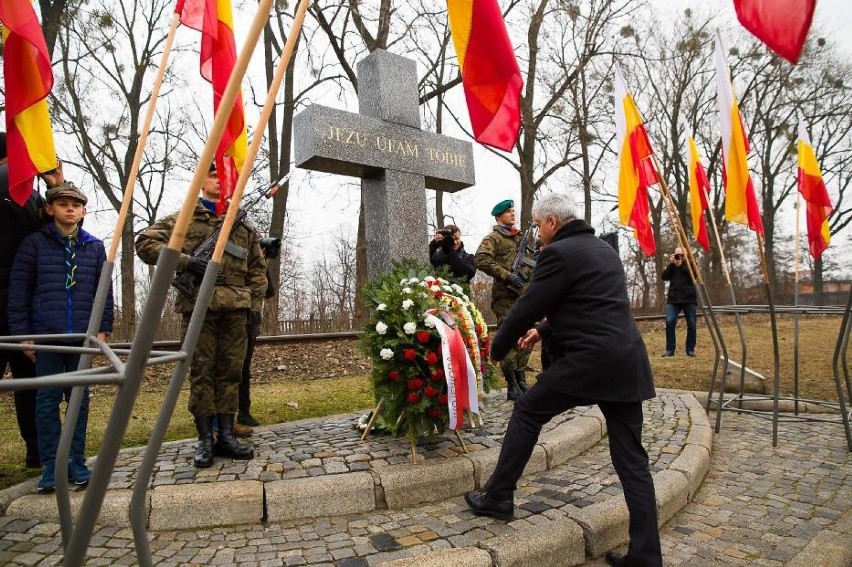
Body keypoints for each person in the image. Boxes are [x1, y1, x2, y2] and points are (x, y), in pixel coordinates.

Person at [464, 194, 662, 567]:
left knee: (526, 411)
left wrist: (496, 348)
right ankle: (647, 556)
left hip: (589, 362)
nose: (537, 235)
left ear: (553, 222)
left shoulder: (558, 254)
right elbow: (588, 302)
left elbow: (529, 303)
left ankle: (499, 496)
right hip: (627, 361)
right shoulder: (603, 250)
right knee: (633, 461)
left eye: (539, 226)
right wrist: (541, 331)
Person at [135, 162, 267, 468]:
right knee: (202, 373)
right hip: (200, 307)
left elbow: (258, 271)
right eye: (213, 175)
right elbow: (145, 243)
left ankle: (227, 434)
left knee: (231, 372)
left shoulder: (243, 225)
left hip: (236, 309)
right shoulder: (184, 219)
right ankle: (205, 438)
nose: (220, 182)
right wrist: (185, 262)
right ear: (201, 181)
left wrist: (255, 309)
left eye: (225, 177)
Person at [8, 182, 114, 493]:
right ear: (49, 209)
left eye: (76, 204)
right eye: (63, 203)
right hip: (47, 335)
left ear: (83, 211)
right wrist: (24, 335)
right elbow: (20, 292)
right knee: (46, 401)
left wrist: (102, 329)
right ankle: (51, 466)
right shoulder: (34, 245)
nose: (70, 209)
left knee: (78, 401)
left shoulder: (93, 247)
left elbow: (103, 292)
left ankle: (76, 462)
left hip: (82, 335)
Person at [0, 132, 50, 469]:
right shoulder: (26, 194)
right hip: (24, 302)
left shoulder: (24, 192)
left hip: (12, 295)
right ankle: (36, 450)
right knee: (28, 382)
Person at [474, 199, 532, 400]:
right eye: (508, 212)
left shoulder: (520, 237)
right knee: (508, 337)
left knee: (525, 337)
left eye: (513, 211)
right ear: (498, 217)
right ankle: (512, 384)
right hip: (505, 297)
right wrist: (507, 275)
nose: (512, 214)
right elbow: (480, 258)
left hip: (524, 294)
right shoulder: (494, 238)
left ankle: (522, 378)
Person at [237, 237, 279, 430]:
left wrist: (263, 262)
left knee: (244, 369)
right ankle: (221, 418)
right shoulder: (237, 262)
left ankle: (244, 412)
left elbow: (269, 291)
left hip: (251, 323)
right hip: (235, 319)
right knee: (229, 370)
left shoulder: (258, 264)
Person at [661, 246, 697, 357]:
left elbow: (693, 276)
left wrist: (680, 265)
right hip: (674, 299)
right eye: (677, 254)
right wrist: (672, 264)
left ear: (685, 255)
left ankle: (690, 349)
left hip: (689, 298)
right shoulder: (672, 266)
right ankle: (670, 349)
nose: (678, 256)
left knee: (691, 324)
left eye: (681, 254)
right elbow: (664, 276)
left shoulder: (690, 265)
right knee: (670, 322)